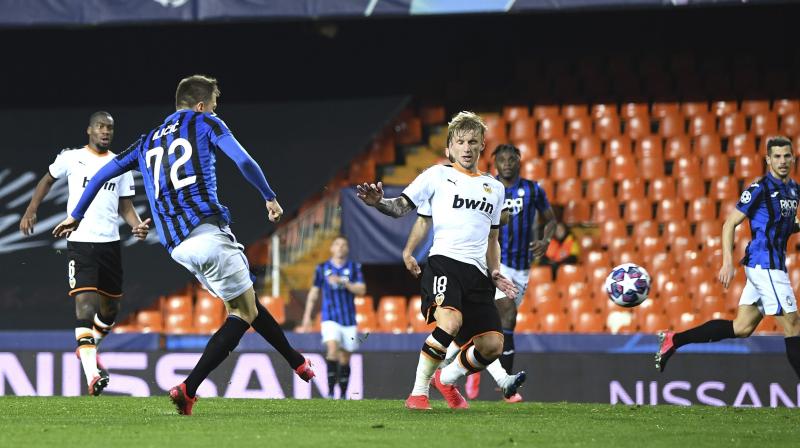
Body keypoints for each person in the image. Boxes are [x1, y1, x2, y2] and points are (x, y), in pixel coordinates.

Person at [54, 75, 315, 415]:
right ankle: (188, 388)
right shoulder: (206, 121)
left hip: (178, 248)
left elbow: (104, 173)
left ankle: (296, 362)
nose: (215, 111)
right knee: (242, 311)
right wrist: (269, 196)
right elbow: (244, 161)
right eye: (214, 106)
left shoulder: (147, 140)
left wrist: (76, 214)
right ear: (202, 106)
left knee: (245, 302)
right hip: (206, 233)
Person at [357, 111, 519, 410]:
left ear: (483, 145)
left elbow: (493, 238)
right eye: (460, 142)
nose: (467, 148)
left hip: (479, 274)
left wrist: (495, 271)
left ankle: (447, 378)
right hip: (444, 262)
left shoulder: (495, 189)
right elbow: (400, 207)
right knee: (451, 321)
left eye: (473, 141)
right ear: (450, 147)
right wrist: (378, 202)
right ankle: (418, 392)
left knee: (492, 346)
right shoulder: (436, 175)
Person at [20, 111, 150, 396]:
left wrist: (137, 226)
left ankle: (87, 349)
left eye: (110, 128)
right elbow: (47, 179)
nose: (105, 132)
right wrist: (31, 210)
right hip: (80, 243)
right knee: (85, 307)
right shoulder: (71, 158)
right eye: (101, 127)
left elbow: (125, 207)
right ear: (89, 130)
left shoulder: (120, 164)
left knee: (110, 311)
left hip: (111, 244)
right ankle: (92, 374)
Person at [655, 136, 800, 380]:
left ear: (793, 158)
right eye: (776, 156)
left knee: (741, 327)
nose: (782, 161)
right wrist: (727, 262)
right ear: (768, 160)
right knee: (793, 324)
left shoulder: (794, 189)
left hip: (773, 266)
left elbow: (785, 225)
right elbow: (729, 223)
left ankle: (674, 340)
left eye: (786, 155)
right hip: (765, 265)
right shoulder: (759, 188)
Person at [300, 236, 366, 399]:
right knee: (332, 349)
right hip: (329, 317)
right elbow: (314, 293)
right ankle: (329, 393)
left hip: (349, 319)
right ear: (332, 248)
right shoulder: (322, 268)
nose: (340, 247)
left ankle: (342, 394)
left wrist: (345, 283)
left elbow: (362, 290)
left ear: (347, 249)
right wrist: (307, 316)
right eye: (337, 244)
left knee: (345, 357)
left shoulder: (354, 267)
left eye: (344, 245)